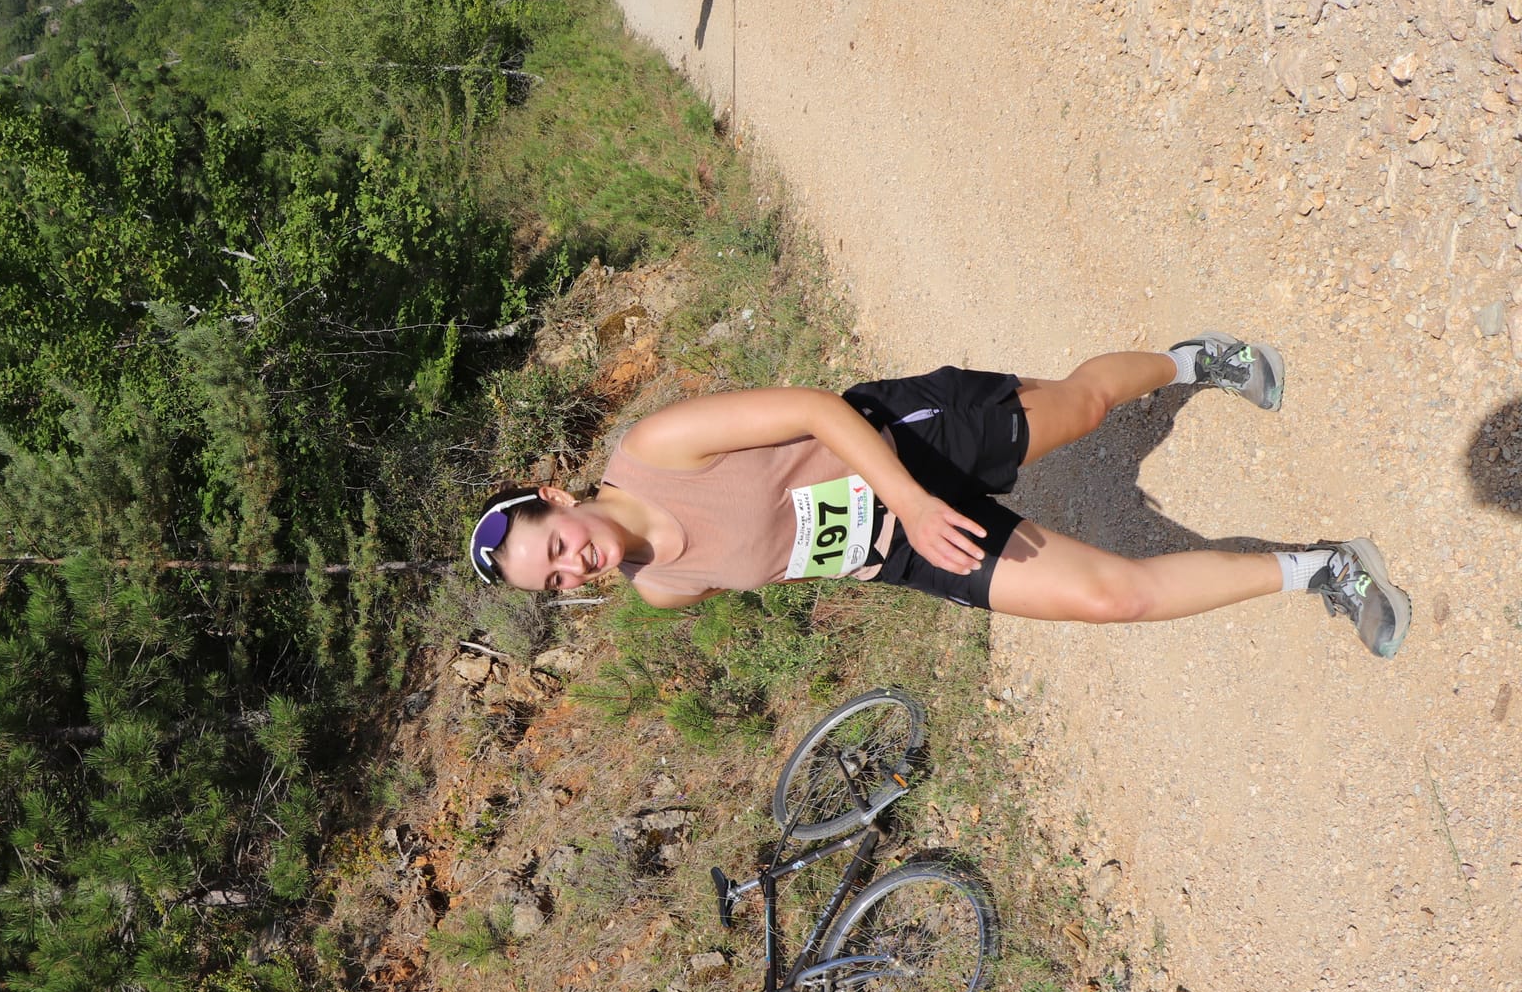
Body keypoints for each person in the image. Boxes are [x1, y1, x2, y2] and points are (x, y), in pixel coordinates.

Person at [467, 335, 1412, 658]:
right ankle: (1324, 570)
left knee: (1081, 406)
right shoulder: (660, 589)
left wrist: (911, 498)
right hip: (913, 549)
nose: (569, 566)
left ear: (558, 497)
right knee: (1115, 597)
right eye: (552, 582)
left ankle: (1196, 359)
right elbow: (791, 552)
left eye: (553, 546)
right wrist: (901, 538)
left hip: (905, 444)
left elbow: (813, 409)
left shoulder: (653, 448)